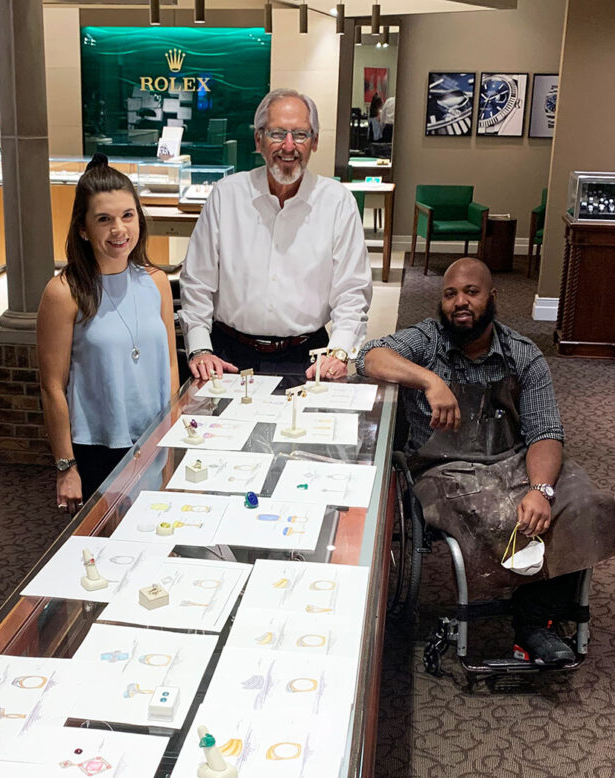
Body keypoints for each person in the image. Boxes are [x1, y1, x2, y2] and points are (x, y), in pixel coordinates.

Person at [356, 257, 615, 665]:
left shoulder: (523, 356)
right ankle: (527, 617)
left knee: (585, 503)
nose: (460, 302)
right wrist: (430, 380)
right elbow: (369, 356)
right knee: (499, 514)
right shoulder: (427, 341)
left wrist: (540, 490)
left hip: (512, 464)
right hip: (442, 471)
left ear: (491, 297)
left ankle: (536, 618)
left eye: (471, 293)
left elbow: (546, 432)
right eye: (450, 294)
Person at [179, 88, 372, 382]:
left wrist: (340, 351)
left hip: (309, 357)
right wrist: (199, 349)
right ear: (258, 140)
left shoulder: (337, 202)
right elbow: (197, 282)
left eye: (301, 135)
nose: (289, 146)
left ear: (315, 142)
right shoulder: (226, 196)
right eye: (277, 133)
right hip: (226, 356)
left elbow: (352, 290)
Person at [37, 154, 179, 515]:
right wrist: (65, 467)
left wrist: (173, 441)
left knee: (156, 540)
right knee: (107, 557)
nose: (119, 230)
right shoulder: (64, 292)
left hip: (155, 441)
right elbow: (52, 386)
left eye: (127, 216)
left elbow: (170, 369)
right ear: (83, 229)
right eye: (104, 219)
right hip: (97, 447)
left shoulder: (156, 282)